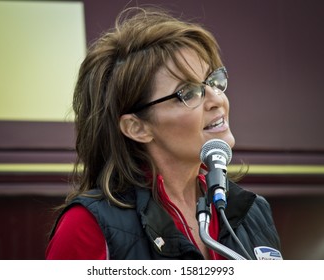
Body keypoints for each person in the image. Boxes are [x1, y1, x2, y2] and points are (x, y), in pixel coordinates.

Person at [46, 6, 282, 260]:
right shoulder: (87, 225)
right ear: (137, 127)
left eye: (213, 82)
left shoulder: (253, 211)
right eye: (188, 92)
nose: (217, 99)